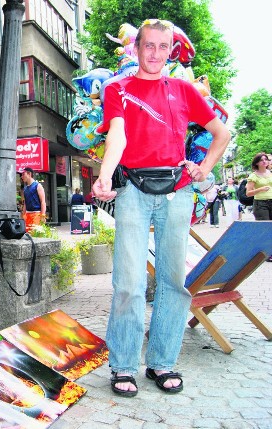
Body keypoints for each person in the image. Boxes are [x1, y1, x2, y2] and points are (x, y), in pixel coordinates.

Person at [92, 19, 230, 397]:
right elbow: (117, 135)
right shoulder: (117, 88)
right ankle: (123, 366)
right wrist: (105, 176)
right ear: (136, 48)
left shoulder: (184, 90)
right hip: (133, 191)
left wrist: (206, 167)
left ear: (171, 50)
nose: (155, 53)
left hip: (178, 192)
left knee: (173, 282)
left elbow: (222, 133)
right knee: (129, 283)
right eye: (148, 45)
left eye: (163, 46)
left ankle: (162, 363)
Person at [246, 153, 272, 262]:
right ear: (257, 163)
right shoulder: (253, 176)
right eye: (261, 160)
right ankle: (266, 254)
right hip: (261, 203)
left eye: (266, 160)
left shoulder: (270, 173)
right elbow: (248, 193)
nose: (264, 162)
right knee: (265, 228)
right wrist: (260, 189)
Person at [20, 167, 46, 232]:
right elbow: (26, 202)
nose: (21, 176)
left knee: (35, 235)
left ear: (29, 174)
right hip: (28, 214)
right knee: (27, 234)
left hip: (36, 214)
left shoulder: (38, 186)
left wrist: (42, 216)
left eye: (23, 174)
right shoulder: (25, 188)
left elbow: (43, 202)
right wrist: (23, 214)